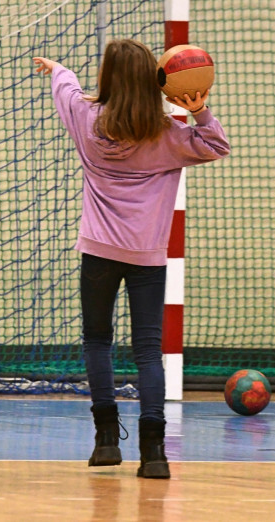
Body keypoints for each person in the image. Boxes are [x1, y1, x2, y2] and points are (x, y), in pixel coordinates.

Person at [33, 39, 231, 479]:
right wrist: (198, 110)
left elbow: (66, 88)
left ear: (106, 78)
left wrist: (57, 66)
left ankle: (105, 442)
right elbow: (217, 145)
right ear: (151, 80)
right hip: (147, 256)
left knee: (98, 341)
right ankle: (154, 453)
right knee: (147, 352)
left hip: (99, 251)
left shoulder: (86, 119)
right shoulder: (168, 135)